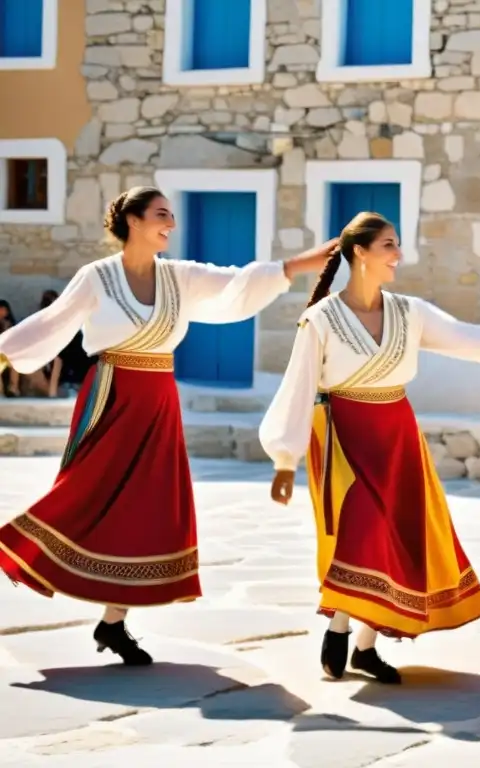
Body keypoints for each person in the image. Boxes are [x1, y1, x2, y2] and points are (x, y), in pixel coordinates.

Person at [0, 186, 337, 666]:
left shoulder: (179, 277)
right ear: (133, 221)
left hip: (158, 402)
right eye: (161, 215)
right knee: (86, 493)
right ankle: (16, 549)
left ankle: (114, 622)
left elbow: (237, 283)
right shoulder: (96, 277)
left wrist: (305, 262)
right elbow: (53, 322)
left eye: (172, 216)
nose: (171, 224)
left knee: (153, 507)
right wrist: (3, 354)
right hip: (112, 396)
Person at [259, 211, 480, 684]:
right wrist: (285, 460)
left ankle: (364, 646)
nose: (398, 255)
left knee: (400, 536)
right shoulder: (320, 318)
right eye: (389, 245)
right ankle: (340, 624)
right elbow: (298, 387)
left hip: (398, 434)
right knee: (363, 529)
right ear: (360, 253)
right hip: (345, 434)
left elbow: (469, 338)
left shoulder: (410, 312)